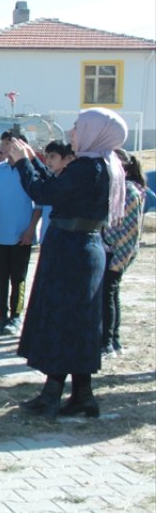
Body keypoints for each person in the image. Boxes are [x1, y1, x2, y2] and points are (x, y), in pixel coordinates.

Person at [9, 108, 126, 418]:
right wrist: (33, 160)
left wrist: (22, 162)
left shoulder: (88, 167)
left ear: (94, 131)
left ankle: (52, 395)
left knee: (61, 320)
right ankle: (82, 395)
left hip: (71, 250)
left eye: (78, 126)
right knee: (79, 324)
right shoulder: (104, 165)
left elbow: (43, 192)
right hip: (83, 248)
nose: (72, 132)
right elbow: (60, 190)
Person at [0, 132, 42, 337]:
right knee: (0, 277)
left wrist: (30, 229)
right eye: (4, 144)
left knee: (18, 277)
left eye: (10, 144)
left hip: (20, 235)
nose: (6, 148)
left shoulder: (28, 170)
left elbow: (39, 205)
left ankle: (16, 316)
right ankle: (1, 315)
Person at [99, 149, 144, 359]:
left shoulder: (129, 193)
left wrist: (118, 261)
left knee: (108, 294)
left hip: (117, 253)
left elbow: (131, 232)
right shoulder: (113, 189)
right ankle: (112, 339)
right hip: (107, 250)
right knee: (108, 294)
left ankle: (107, 342)